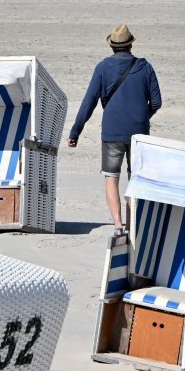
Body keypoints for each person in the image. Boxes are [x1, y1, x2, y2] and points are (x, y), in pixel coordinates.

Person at [67, 24, 162, 231]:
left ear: (112, 46)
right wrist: (142, 117)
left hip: (112, 132)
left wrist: (75, 132)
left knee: (111, 178)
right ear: (130, 45)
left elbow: (89, 102)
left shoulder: (103, 68)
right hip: (139, 133)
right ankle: (133, 224)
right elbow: (156, 102)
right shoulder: (145, 67)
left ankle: (119, 225)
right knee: (135, 179)